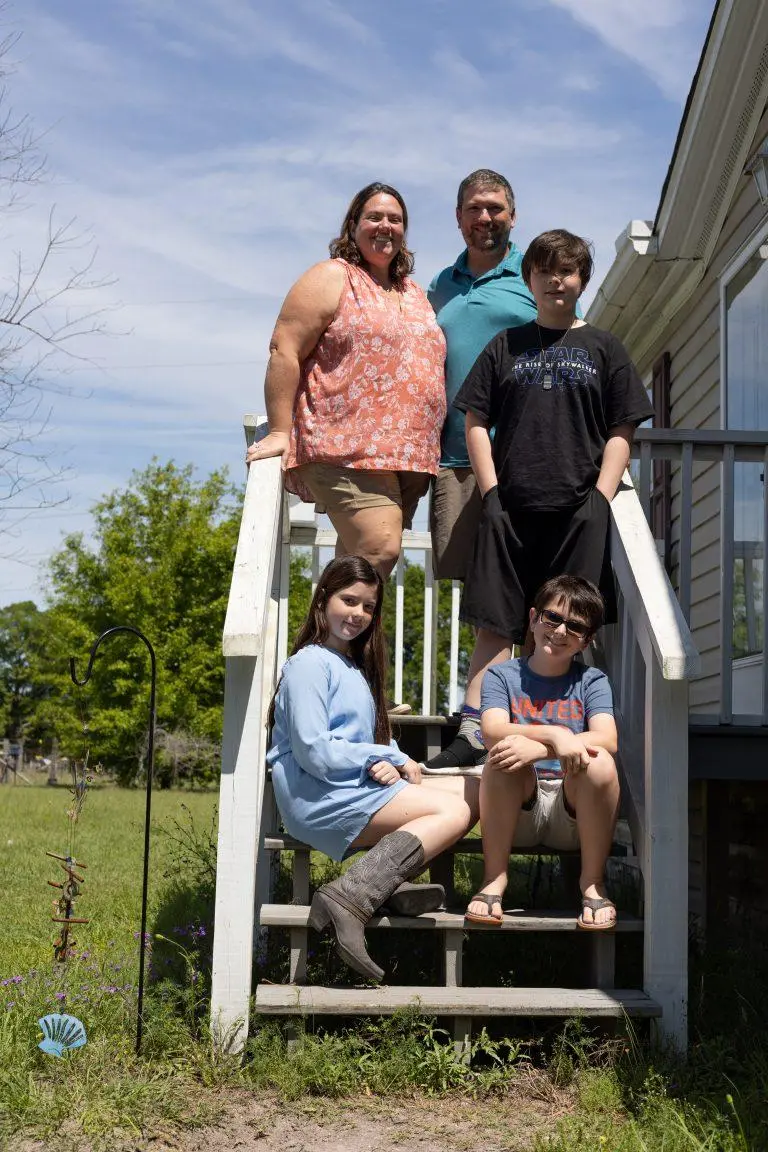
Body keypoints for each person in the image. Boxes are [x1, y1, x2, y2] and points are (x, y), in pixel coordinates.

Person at [267, 555, 476, 983]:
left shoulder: (354, 667)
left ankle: (387, 886)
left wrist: (393, 759)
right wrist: (384, 759)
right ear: (322, 599)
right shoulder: (309, 664)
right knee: (453, 813)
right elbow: (314, 752)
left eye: (368, 606)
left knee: (473, 793)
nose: (358, 614)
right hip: (316, 796)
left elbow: (369, 740)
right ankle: (353, 895)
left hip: (348, 788)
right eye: (349, 600)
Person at [455, 228, 655, 655]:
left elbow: (623, 428)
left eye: (567, 271)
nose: (555, 280)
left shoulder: (605, 348)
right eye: (544, 271)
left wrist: (600, 498)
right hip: (509, 506)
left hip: (578, 508)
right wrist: (490, 492)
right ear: (529, 279)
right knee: (498, 622)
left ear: (582, 279)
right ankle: (478, 719)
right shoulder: (505, 344)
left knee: (564, 625)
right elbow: (475, 419)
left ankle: (553, 717)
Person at [247, 183, 446, 579]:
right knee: (379, 548)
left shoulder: (414, 292)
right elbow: (284, 349)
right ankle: (329, 642)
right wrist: (281, 431)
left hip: (408, 458)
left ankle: (335, 641)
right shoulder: (332, 277)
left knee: (355, 568)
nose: (385, 225)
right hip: (346, 449)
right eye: (374, 217)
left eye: (395, 219)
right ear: (353, 226)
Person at [424, 169, 537, 773]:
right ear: (459, 217)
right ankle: (486, 708)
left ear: (512, 216)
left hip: (523, 458)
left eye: (495, 208)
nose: (484, 217)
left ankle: (499, 712)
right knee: (475, 590)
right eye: (474, 208)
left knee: (519, 587)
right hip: (455, 460)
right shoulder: (440, 286)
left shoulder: (533, 277)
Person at [466, 576, 620, 930]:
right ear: (534, 619)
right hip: (517, 812)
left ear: (587, 640)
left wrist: (537, 746)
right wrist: (554, 734)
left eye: (575, 626)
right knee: (504, 755)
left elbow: (607, 738)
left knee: (601, 764)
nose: (560, 631)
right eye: (553, 618)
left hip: (575, 815)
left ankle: (592, 883)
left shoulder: (591, 681)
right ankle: (494, 879)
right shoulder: (502, 676)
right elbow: (490, 731)